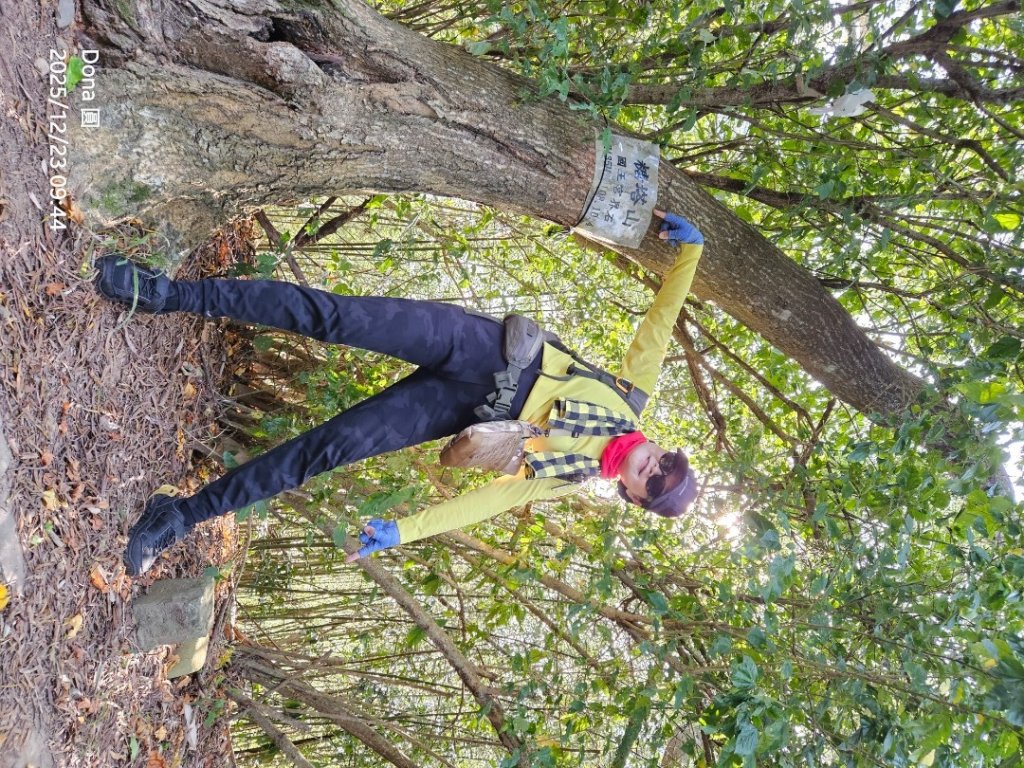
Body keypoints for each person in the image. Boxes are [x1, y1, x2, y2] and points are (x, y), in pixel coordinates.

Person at [95, 210, 703, 575]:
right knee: (335, 319)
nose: (654, 466)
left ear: (633, 495)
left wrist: (404, 532)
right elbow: (658, 326)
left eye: (656, 482)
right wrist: (691, 255)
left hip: (463, 411)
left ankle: (178, 515)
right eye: (666, 462)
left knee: (329, 450)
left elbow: (484, 503)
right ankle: (166, 294)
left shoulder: (566, 477)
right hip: (483, 349)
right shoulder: (630, 399)